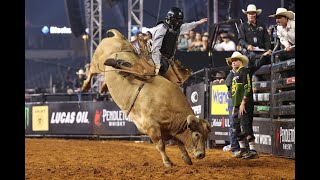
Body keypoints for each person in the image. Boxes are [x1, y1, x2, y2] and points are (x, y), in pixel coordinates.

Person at [150, 7, 208, 76]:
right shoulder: (161, 28)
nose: (178, 23)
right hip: (158, 58)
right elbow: (155, 48)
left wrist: (198, 22)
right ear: (171, 18)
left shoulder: (176, 28)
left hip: (167, 59)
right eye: (176, 20)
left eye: (179, 21)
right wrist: (157, 64)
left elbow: (187, 26)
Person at [225, 51, 258, 159]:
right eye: (232, 61)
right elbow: (234, 93)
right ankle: (243, 149)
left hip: (245, 104)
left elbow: (247, 87)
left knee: (245, 126)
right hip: (237, 105)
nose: (233, 62)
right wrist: (235, 106)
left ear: (241, 62)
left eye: (236, 60)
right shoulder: (235, 75)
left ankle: (253, 150)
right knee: (236, 127)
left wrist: (243, 102)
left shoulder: (245, 71)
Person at [238, 4, 272, 74]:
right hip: (250, 52)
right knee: (251, 56)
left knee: (271, 56)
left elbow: (267, 39)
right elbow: (241, 40)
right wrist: (247, 46)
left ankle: (253, 72)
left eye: (252, 13)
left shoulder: (262, 25)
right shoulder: (243, 26)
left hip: (262, 50)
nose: (251, 15)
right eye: (249, 13)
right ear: (247, 15)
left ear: (255, 14)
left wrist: (268, 49)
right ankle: (251, 72)